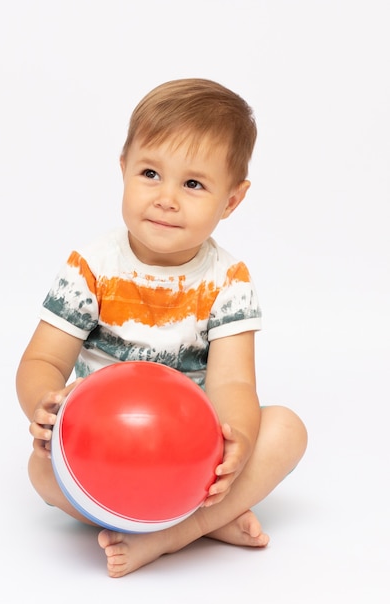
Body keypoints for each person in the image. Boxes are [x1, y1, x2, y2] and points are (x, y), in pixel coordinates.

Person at [16, 78, 308, 578]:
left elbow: (233, 383)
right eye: (151, 173)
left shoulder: (228, 280)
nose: (166, 198)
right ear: (123, 169)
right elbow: (43, 360)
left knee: (286, 429)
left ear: (232, 201)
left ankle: (173, 531)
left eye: (193, 184)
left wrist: (235, 439)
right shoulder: (92, 265)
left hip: (189, 454)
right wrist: (45, 401)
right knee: (40, 472)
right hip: (103, 446)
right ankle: (200, 522)